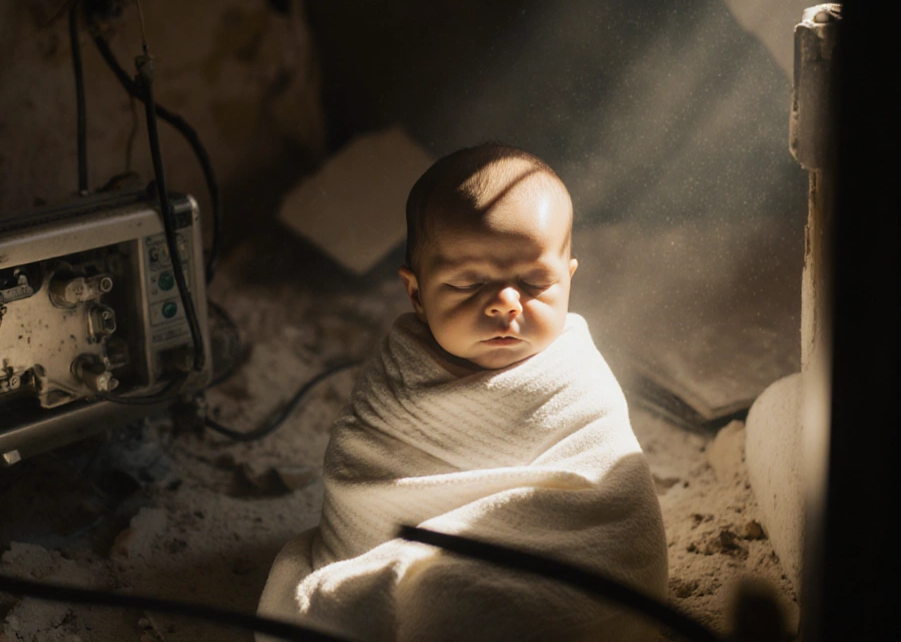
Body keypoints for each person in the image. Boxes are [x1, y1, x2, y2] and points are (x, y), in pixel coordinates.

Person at [258, 143, 667, 641]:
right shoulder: (396, 378)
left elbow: (612, 500)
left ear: (568, 280)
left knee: (478, 603)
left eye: (536, 282)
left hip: (557, 558)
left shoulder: (576, 377)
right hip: (435, 559)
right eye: (469, 283)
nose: (505, 304)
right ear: (416, 293)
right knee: (446, 595)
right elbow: (364, 484)